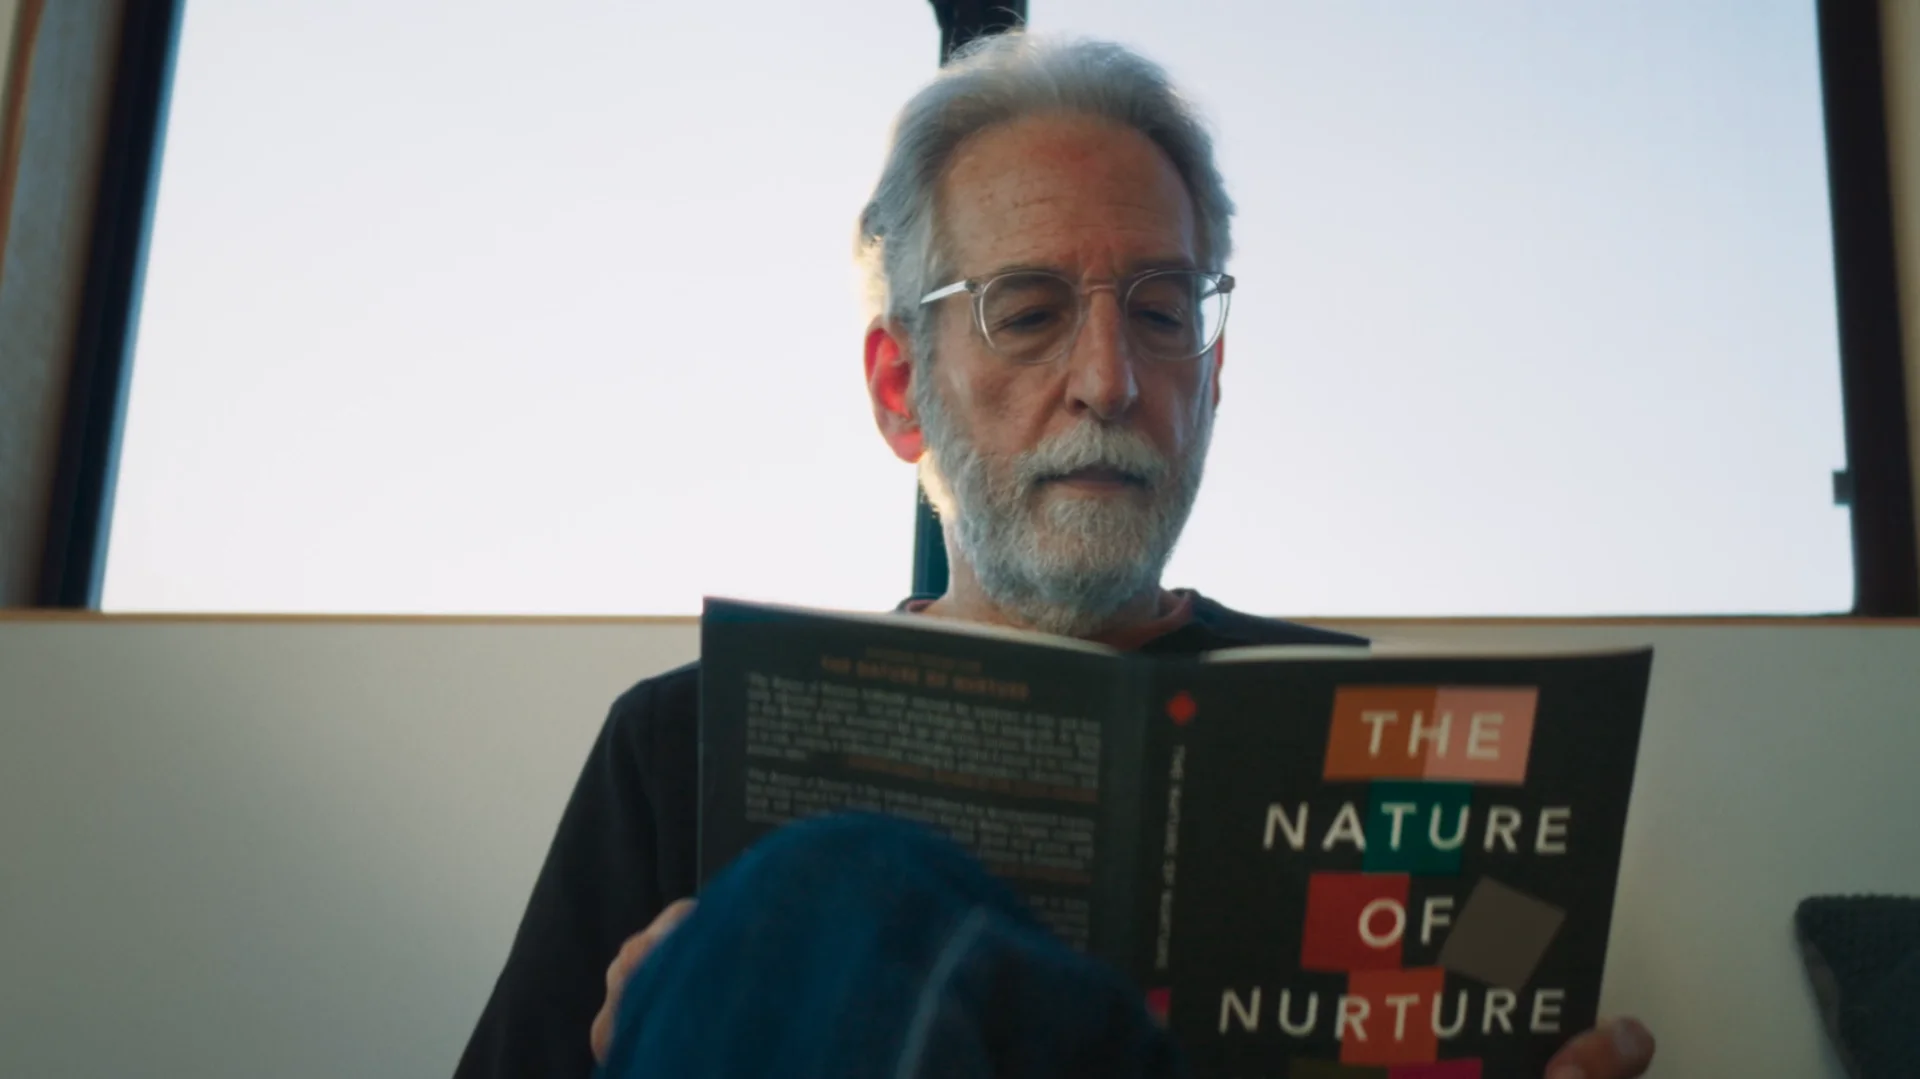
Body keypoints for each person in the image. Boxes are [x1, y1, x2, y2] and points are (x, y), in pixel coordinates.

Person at [454, 32, 1657, 1079]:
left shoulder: (1360, 723)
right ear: (900, 390)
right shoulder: (681, 745)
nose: (1109, 381)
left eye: (1160, 311)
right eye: (1027, 311)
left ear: (1212, 375)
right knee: (821, 893)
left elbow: (1493, 967)